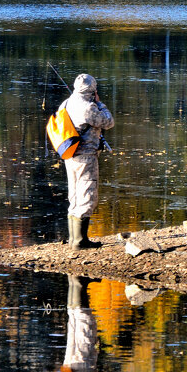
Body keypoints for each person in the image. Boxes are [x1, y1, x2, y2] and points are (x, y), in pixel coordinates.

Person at [60, 73, 114, 250]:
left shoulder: (67, 103)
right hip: (86, 156)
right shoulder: (89, 107)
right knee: (87, 194)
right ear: (93, 89)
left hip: (70, 154)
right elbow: (108, 121)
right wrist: (99, 103)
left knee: (74, 194)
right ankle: (80, 242)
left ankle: (73, 239)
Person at [44, 275, 101, 372]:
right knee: (75, 320)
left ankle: (78, 282)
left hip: (80, 370)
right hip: (70, 371)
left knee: (84, 323)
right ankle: (75, 281)